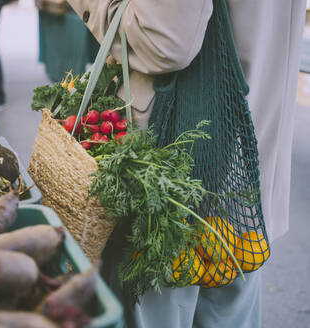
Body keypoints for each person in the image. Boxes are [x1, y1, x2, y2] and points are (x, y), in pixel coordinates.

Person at [66, 0, 306, 327]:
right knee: (229, 296)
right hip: (251, 145)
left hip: (175, 160)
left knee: (158, 300)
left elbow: (164, 40)